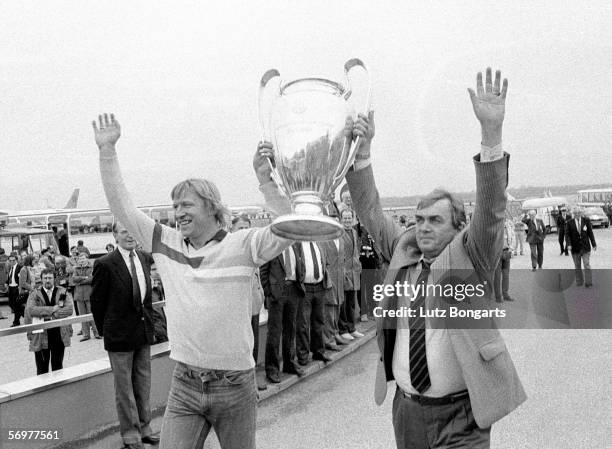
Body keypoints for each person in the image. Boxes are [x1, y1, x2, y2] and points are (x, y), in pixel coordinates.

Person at [346, 68, 525, 448]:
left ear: (458, 226)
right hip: (408, 412)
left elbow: (492, 209)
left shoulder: (471, 255)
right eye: (419, 219)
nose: (423, 228)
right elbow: (371, 212)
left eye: (435, 221)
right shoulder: (405, 248)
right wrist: (362, 156)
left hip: (461, 417)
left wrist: (491, 135)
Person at [92, 113, 292, 449]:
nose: (177, 212)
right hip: (185, 384)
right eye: (174, 206)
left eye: (186, 204)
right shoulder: (164, 243)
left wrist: (265, 179)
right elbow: (122, 206)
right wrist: (107, 151)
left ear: (212, 208)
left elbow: (288, 229)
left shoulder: (242, 245)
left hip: (235, 386)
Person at [91, 222, 158, 448]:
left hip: (142, 332)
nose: (129, 235)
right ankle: (130, 435)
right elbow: (97, 303)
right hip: (119, 336)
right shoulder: (105, 264)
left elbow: (147, 298)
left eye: (132, 230)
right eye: (123, 231)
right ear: (115, 236)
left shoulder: (145, 258)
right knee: (124, 389)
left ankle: (145, 427)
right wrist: (107, 331)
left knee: (143, 383)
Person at [230, 214, 268, 391]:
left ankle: (252, 378)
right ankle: (243, 383)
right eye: (240, 228)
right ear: (232, 230)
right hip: (237, 310)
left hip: (253, 306)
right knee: (241, 347)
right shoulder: (229, 250)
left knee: (253, 344)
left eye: (247, 228)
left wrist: (261, 297)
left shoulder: (252, 249)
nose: (244, 232)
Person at [24, 268, 74, 374]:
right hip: (41, 336)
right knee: (42, 370)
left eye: (50, 278)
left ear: (54, 279)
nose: (47, 280)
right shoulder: (34, 293)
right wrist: (52, 309)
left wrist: (53, 315)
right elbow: (31, 310)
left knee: (58, 367)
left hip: (59, 334)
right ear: (41, 280)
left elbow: (69, 309)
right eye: (45, 278)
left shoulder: (62, 291)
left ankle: (58, 389)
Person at [339, 209, 364, 341]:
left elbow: (356, 252)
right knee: (344, 303)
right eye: (345, 218)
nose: (347, 220)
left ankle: (352, 328)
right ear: (341, 219)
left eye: (349, 218)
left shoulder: (354, 232)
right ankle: (343, 329)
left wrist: (358, 265)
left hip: (354, 272)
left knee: (352, 303)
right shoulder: (339, 233)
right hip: (344, 273)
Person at [565, 206, 597, 288]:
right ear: (573, 214)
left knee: (586, 264)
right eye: (575, 213)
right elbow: (567, 235)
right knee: (577, 265)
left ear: (581, 213)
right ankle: (579, 282)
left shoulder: (586, 220)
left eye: (579, 213)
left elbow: (590, 233)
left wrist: (594, 244)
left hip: (585, 247)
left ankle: (588, 283)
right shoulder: (569, 222)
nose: (577, 214)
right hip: (575, 248)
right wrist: (568, 244)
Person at [73, 252, 100, 341]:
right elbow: (74, 279)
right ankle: (86, 334)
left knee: (92, 314)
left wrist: (80, 281)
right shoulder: (76, 268)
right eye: (80, 259)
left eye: (83, 258)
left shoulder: (91, 268)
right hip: (79, 295)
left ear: (87, 259)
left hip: (89, 294)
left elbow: (92, 279)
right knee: (82, 316)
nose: (82, 260)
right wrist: (85, 278)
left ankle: (97, 333)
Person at [494, 217, 515, 302]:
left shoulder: (508, 227)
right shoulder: (494, 228)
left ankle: (505, 294)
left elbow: (513, 238)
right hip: (497, 254)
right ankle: (498, 296)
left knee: (506, 275)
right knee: (497, 276)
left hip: (506, 252)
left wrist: (511, 249)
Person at [5, 254, 23, 326]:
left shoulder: (20, 268)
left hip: (16, 288)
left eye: (13, 260)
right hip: (11, 288)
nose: (12, 262)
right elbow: (10, 277)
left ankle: (16, 322)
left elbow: (21, 278)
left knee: (16, 305)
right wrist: (7, 283)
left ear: (16, 260)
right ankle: (24, 313)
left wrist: (20, 287)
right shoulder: (11, 268)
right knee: (11, 304)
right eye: (10, 260)